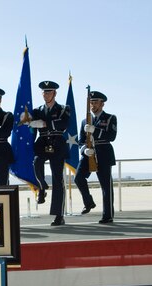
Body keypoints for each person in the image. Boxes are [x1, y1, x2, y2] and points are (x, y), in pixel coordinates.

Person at [28, 81, 70, 226]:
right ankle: (42, 186)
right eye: (44, 92)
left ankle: (59, 215)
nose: (46, 95)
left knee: (58, 179)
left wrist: (45, 124)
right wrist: (28, 122)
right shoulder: (37, 110)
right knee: (37, 162)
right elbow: (31, 127)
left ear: (54, 93)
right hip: (42, 142)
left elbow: (63, 124)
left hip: (57, 143)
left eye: (49, 92)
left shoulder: (64, 109)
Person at [74, 90, 117, 224]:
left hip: (103, 152)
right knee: (78, 178)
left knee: (105, 186)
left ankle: (107, 215)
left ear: (102, 104)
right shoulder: (84, 121)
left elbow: (111, 136)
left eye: (96, 102)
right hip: (89, 153)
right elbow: (81, 140)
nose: (93, 105)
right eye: (91, 102)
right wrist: (84, 150)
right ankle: (88, 202)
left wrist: (95, 130)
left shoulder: (110, 118)